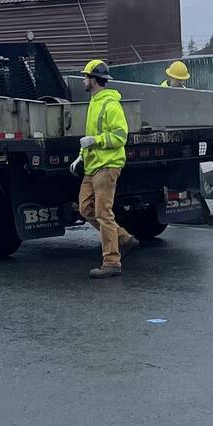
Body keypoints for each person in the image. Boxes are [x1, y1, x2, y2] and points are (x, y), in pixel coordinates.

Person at [74, 59, 138, 278]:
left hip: (107, 165)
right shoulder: (95, 101)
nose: (83, 80)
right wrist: (81, 156)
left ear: (93, 80)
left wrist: (96, 141)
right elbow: (90, 136)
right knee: (85, 209)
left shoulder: (110, 104)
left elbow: (120, 136)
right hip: (93, 165)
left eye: (85, 77)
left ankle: (111, 262)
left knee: (103, 212)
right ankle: (122, 239)